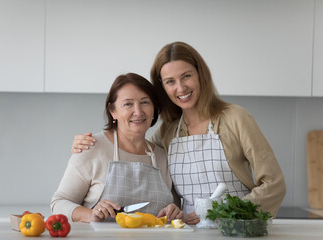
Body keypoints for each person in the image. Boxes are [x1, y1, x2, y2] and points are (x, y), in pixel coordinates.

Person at [71, 42, 286, 224]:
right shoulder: (167, 131)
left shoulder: (236, 119)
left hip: (235, 230)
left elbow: (274, 184)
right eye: (170, 81)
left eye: (186, 76)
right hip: (189, 233)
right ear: (162, 88)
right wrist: (89, 143)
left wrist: (226, 215)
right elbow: (135, 146)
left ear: (201, 75)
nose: (180, 88)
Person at [51, 73, 182, 223]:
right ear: (113, 111)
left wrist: (173, 212)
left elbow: (175, 210)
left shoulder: (162, 156)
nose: (138, 112)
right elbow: (58, 203)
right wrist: (90, 214)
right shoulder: (92, 148)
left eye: (145, 102)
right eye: (128, 104)